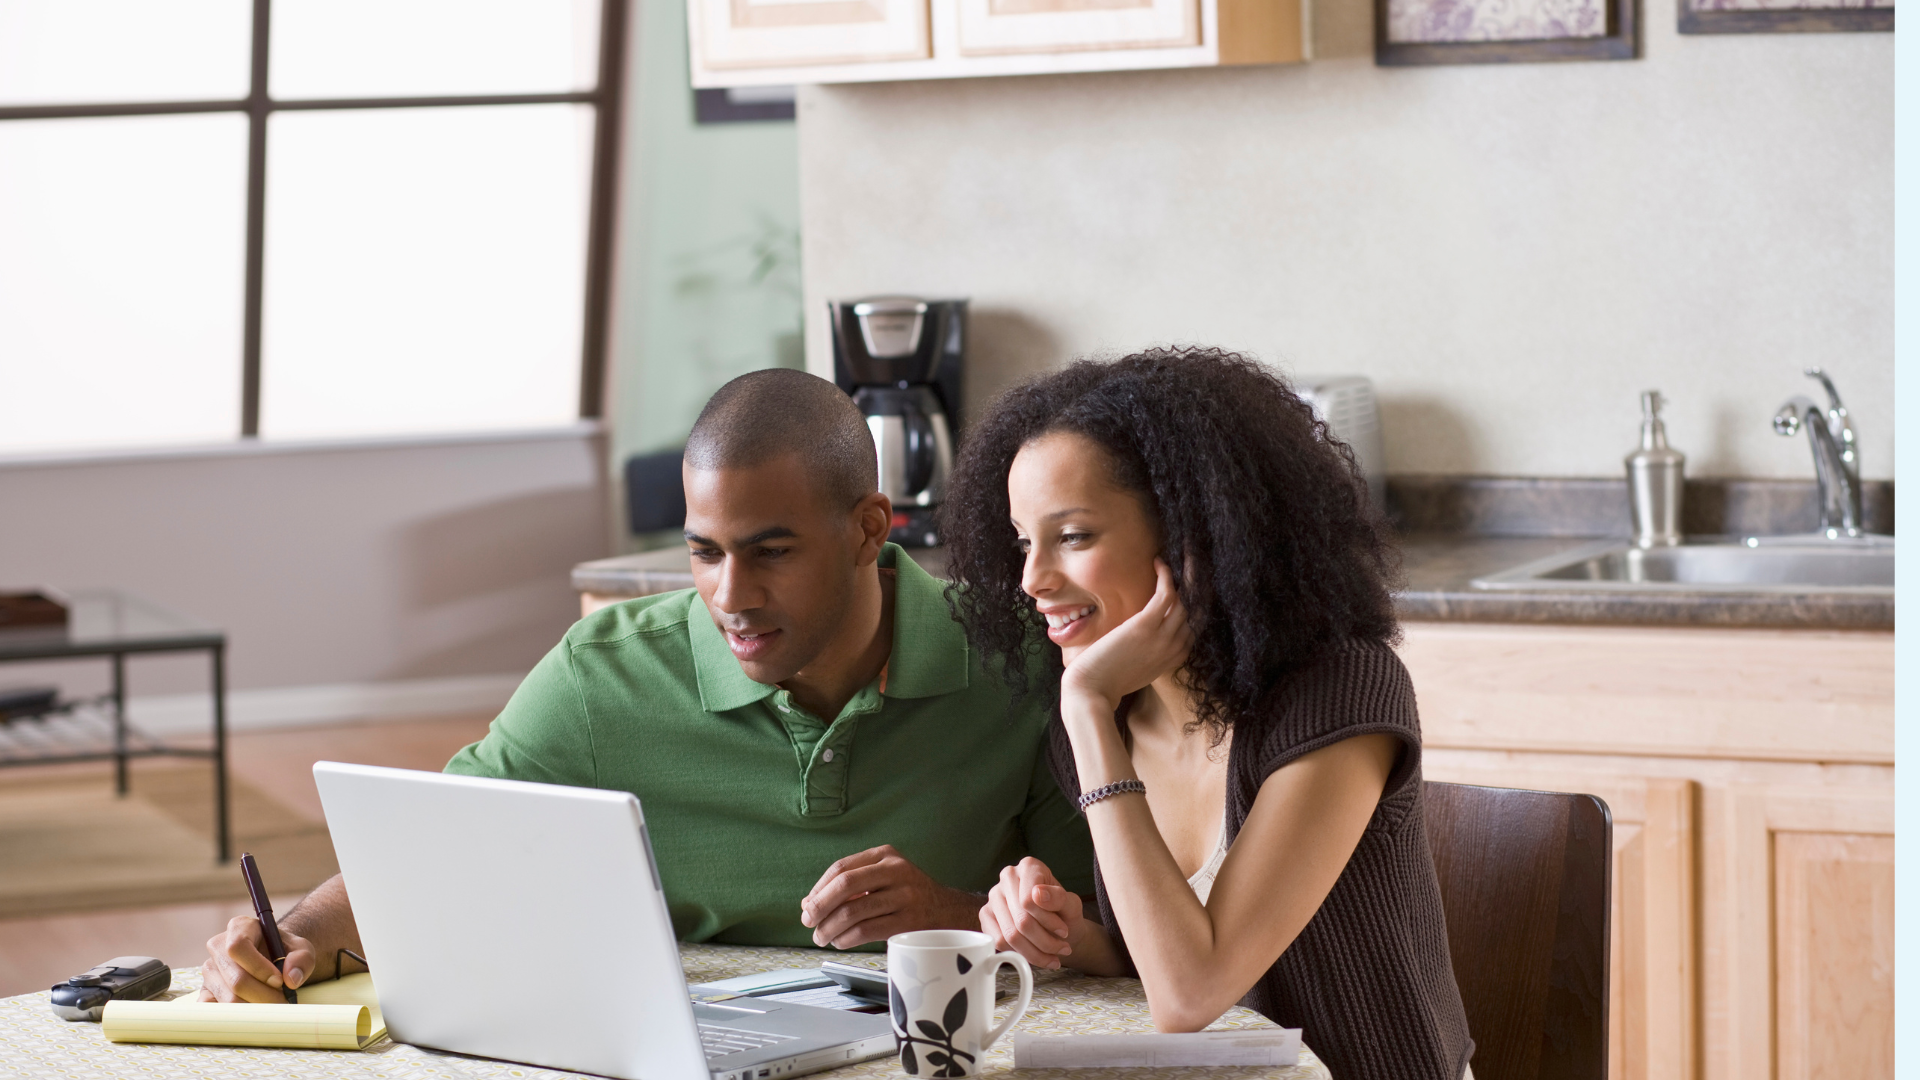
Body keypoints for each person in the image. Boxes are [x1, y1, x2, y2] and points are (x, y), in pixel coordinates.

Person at [200, 369, 1094, 1003]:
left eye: (771, 552)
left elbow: (1106, 925)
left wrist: (955, 912)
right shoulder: (604, 673)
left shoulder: (1022, 659)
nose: (731, 597)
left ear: (867, 530)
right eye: (705, 553)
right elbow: (437, 846)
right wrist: (303, 933)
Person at [941, 349, 1474, 1080]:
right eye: (1024, 541)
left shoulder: (1341, 695)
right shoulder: (1115, 712)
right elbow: (1158, 949)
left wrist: (1088, 711)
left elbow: (1190, 991)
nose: (1033, 579)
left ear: (1194, 538)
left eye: (1073, 537)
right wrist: (1066, 933)